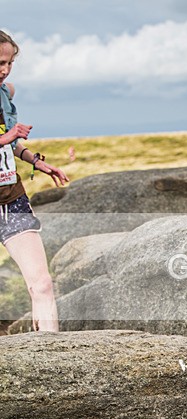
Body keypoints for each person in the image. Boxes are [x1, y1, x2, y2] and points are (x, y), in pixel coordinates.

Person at [0, 30, 69, 332]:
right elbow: (7, 137)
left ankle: (50, 362)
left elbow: (11, 144)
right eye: (0, 62)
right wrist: (8, 135)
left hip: (11, 198)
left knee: (41, 284)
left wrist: (37, 162)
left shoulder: (4, 94)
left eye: (10, 63)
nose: (4, 70)